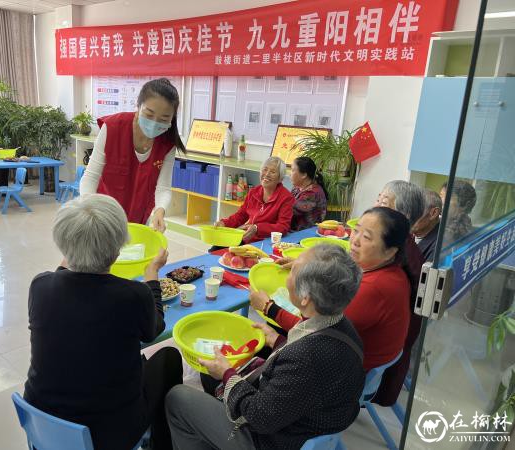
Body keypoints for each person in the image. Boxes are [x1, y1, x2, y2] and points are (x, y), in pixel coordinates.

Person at [166, 245, 365, 450]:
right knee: (213, 375)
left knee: (178, 397)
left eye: (293, 269)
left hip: (275, 439)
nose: (288, 272)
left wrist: (227, 374)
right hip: (310, 418)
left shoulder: (305, 357)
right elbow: (305, 375)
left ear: (306, 298)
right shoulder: (343, 326)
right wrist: (279, 341)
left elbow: (259, 418)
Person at [24, 194, 182, 450]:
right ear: (119, 246)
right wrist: (152, 276)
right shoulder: (133, 295)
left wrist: (76, 249)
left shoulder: (40, 286)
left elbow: (65, 280)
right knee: (168, 357)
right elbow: (154, 329)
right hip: (110, 433)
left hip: (40, 422)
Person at [256, 207, 411, 372]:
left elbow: (314, 329)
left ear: (390, 252)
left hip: (346, 370)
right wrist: (306, 266)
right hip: (351, 349)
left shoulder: (373, 288)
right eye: (356, 230)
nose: (355, 241)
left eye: (366, 237)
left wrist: (269, 308)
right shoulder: (391, 271)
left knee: (270, 335)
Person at [80, 78, 185, 232]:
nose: (155, 123)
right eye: (149, 115)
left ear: (172, 119)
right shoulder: (113, 128)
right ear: (138, 106)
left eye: (164, 119)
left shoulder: (167, 143)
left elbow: (163, 187)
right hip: (103, 217)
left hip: (138, 220)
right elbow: (91, 177)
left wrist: (160, 210)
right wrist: (89, 209)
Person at [372, 180, 425, 406]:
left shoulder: (394, 259)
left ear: (401, 215)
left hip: (373, 361)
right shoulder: (406, 247)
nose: (375, 206)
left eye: (383, 202)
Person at [215, 156, 295, 244]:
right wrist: (224, 223)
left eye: (273, 172)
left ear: (280, 178)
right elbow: (241, 215)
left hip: (266, 242)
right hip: (246, 237)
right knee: (215, 248)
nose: (267, 174)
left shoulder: (286, 198)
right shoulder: (253, 192)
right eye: (265, 169)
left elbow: (282, 227)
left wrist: (257, 228)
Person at [290, 156, 327, 231]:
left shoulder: (312, 193)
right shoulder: (297, 188)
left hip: (305, 235)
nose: (290, 174)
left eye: (293, 170)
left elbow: (288, 211)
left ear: (304, 175)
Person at [440, 179, 477, 244]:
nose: (441, 201)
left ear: (464, 205)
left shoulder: (455, 230)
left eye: (448, 198)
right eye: (441, 195)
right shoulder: (447, 221)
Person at [412, 189, 442, 261]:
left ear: (434, 213)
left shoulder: (439, 246)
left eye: (414, 210)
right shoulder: (407, 232)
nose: (407, 215)